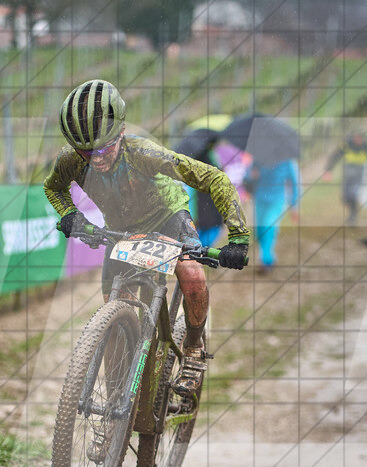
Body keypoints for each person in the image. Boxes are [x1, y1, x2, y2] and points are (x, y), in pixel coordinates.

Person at [43, 79, 249, 396]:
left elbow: (214, 178)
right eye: (86, 151)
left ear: (121, 133)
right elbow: (53, 188)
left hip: (167, 217)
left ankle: (194, 349)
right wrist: (71, 215)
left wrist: (238, 237)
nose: (95, 158)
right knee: (115, 318)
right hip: (123, 230)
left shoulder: (143, 153)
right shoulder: (71, 159)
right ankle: (115, 404)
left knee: (192, 274)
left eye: (102, 148)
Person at [246, 157, 299, 274]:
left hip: (277, 201)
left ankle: (266, 261)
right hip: (260, 200)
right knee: (258, 232)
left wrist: (294, 205)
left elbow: (294, 183)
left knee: (268, 227)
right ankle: (270, 258)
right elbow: (247, 177)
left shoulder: (287, 161)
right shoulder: (259, 157)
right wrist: (251, 175)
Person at [324, 130, 367, 227]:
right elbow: (335, 156)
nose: (358, 140)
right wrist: (328, 170)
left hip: (359, 176)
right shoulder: (347, 145)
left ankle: (353, 216)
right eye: (356, 137)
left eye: (360, 138)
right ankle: (352, 212)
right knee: (344, 197)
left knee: (353, 195)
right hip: (347, 175)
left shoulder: (366, 147)